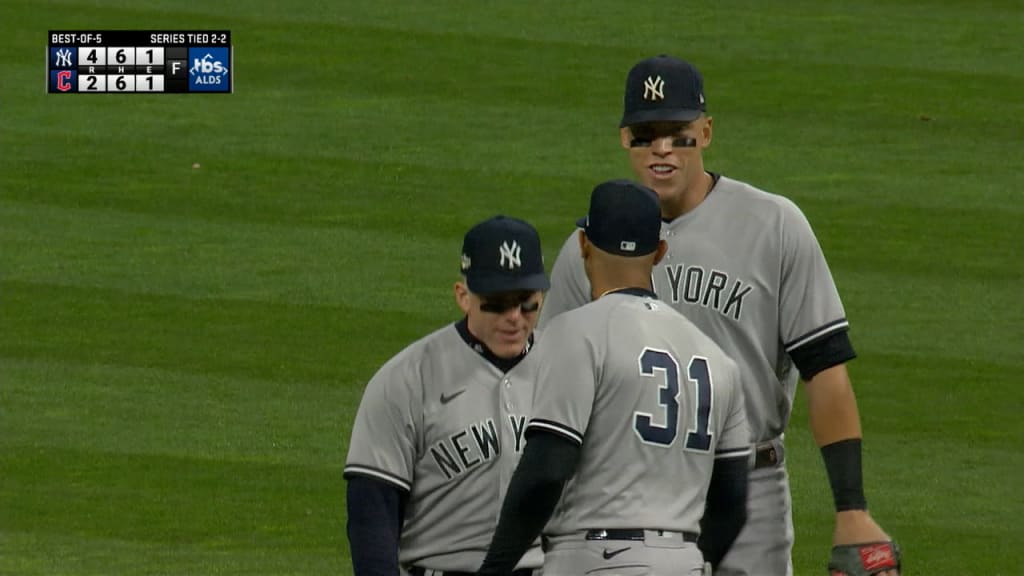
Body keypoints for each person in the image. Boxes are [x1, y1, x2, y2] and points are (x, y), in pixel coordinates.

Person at [538, 55, 901, 576]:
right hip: (624, 495)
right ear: (625, 140)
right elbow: (548, 390)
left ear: (705, 132)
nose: (661, 148)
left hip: (750, 488)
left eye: (677, 133)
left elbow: (825, 368)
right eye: (646, 134)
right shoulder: (588, 249)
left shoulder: (774, 225)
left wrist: (852, 508)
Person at [476, 179, 752, 576]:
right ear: (659, 252)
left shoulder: (574, 332)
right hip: (685, 562)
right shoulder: (717, 360)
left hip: (595, 560)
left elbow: (547, 471)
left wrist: (496, 567)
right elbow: (732, 501)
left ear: (584, 245)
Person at [344, 215, 549, 576]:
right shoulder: (408, 377)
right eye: (497, 303)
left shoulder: (569, 369)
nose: (514, 317)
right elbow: (372, 509)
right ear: (463, 296)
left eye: (526, 302)